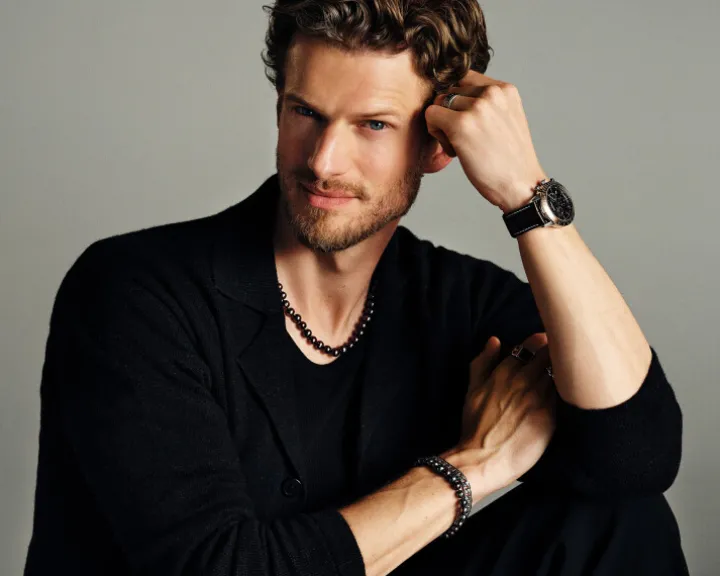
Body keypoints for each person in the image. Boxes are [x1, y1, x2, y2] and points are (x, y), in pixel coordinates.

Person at [23, 1, 689, 574]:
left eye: (373, 124)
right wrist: (472, 468)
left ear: (439, 144)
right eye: (306, 112)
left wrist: (526, 195)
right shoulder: (134, 293)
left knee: (618, 521)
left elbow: (636, 455)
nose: (323, 161)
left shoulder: (455, 302)